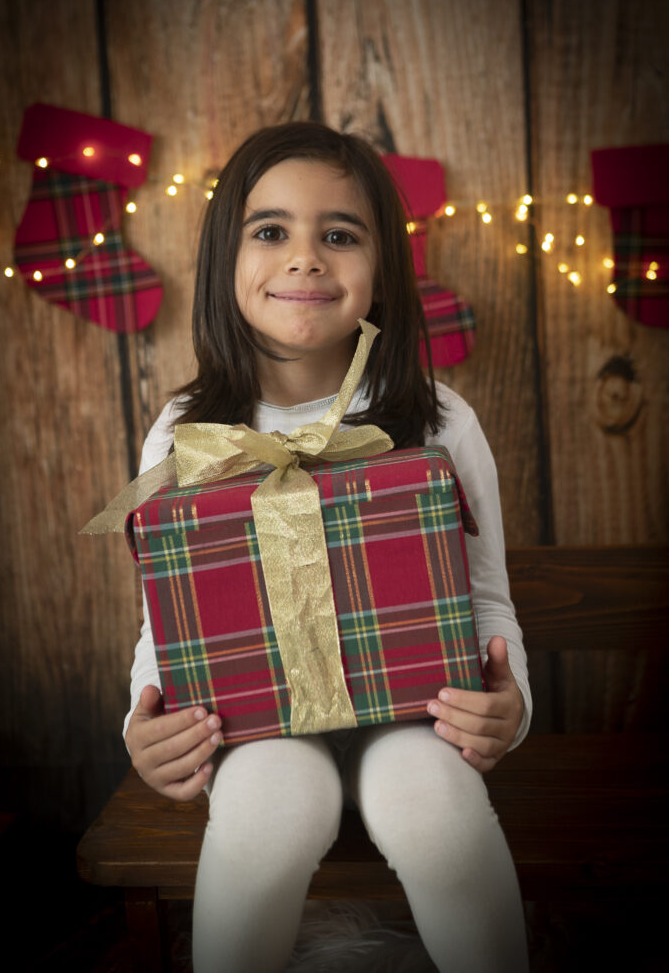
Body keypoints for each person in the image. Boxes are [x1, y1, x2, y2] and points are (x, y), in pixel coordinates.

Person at [124, 121, 532, 972]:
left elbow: (485, 596)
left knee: (437, 811)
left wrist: (510, 704)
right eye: (270, 231)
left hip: (414, 713)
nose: (305, 258)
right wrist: (147, 716)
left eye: (338, 235)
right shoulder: (188, 432)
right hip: (255, 726)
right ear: (224, 262)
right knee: (268, 812)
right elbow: (168, 617)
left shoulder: (438, 419)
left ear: (381, 267)